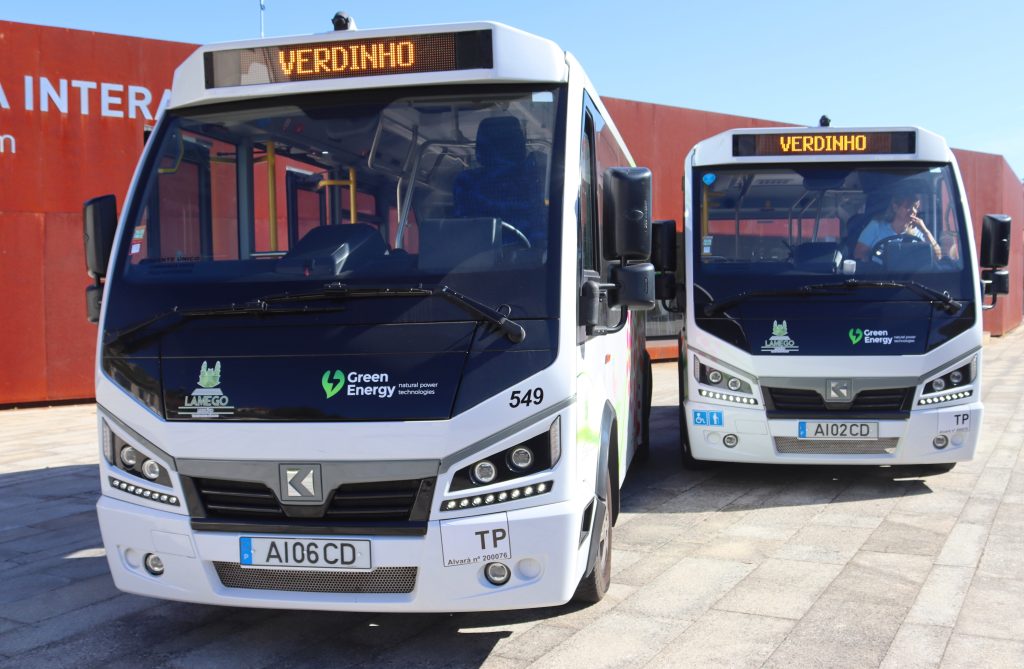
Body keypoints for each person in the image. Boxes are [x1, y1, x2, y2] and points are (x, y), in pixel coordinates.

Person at [853, 190, 943, 261]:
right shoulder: (876, 226)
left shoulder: (918, 233)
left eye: (915, 207)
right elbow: (858, 255)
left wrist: (925, 230)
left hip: (910, 280)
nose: (913, 211)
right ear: (895, 207)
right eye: (908, 207)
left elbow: (938, 257)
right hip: (879, 278)